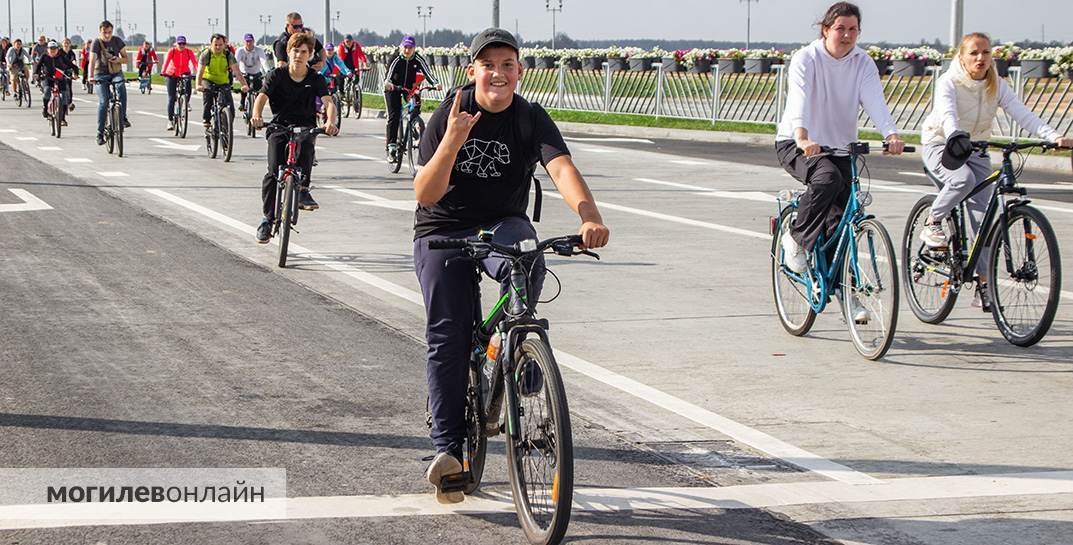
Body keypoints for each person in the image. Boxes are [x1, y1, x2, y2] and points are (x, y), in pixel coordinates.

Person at [413, 28, 609, 503]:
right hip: (443, 229)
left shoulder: (529, 117)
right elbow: (425, 193)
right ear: (472, 71)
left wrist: (588, 215)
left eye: (507, 65)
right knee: (450, 333)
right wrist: (453, 141)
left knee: (529, 255)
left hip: (502, 223)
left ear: (519, 71)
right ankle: (451, 453)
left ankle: (513, 338)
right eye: (488, 65)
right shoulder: (452, 112)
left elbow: (560, 166)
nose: (497, 73)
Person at [917, 32, 1073, 309]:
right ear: (962, 57)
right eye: (974, 53)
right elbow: (947, 114)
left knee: (984, 220)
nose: (981, 58)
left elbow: (1021, 113)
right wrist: (955, 134)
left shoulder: (996, 84)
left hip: (976, 147)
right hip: (943, 144)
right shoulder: (948, 82)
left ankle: (984, 285)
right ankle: (933, 221)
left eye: (986, 53)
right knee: (962, 180)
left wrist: (1051, 135)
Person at [775, 1, 905, 283]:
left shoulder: (862, 62)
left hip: (841, 148)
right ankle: (796, 237)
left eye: (853, 30)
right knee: (827, 178)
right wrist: (802, 136)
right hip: (796, 143)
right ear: (825, 30)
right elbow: (799, 99)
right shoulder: (806, 58)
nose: (846, 35)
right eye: (840, 29)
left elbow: (875, 101)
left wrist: (891, 134)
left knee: (842, 218)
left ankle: (844, 290)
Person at [250, 31, 339, 242]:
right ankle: (267, 219)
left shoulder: (315, 79)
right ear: (288, 52)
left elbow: (328, 102)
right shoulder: (276, 75)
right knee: (273, 171)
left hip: (305, 127)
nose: (299, 55)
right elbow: (262, 97)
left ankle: (303, 190)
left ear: (310, 55)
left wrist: (330, 122)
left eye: (304, 52)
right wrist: (256, 115)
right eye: (295, 51)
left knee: (307, 147)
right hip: (279, 126)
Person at [384, 35, 439, 160]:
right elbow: (389, 74)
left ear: (414, 49)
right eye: (405, 47)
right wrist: (388, 83)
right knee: (394, 114)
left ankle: (413, 123)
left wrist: (435, 83)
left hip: (409, 88)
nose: (407, 50)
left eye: (410, 48)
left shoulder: (417, 59)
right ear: (401, 47)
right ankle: (391, 146)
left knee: (417, 103)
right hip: (393, 88)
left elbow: (427, 73)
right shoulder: (396, 58)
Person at [88, 20, 130, 146]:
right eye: (105, 32)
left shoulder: (117, 41)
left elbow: (126, 59)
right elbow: (92, 60)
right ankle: (99, 133)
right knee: (104, 101)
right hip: (100, 74)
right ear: (100, 31)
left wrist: (118, 59)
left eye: (109, 32)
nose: (107, 35)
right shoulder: (96, 42)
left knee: (121, 86)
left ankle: (122, 117)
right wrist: (90, 76)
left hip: (115, 72)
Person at [195, 33, 249, 129]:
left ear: (224, 45)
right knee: (208, 97)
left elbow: (237, 71)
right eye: (215, 45)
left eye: (220, 45)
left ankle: (226, 128)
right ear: (211, 44)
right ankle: (206, 119)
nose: (218, 47)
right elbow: (200, 71)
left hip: (223, 81)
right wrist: (198, 85)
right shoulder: (206, 54)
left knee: (230, 107)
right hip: (208, 79)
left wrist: (244, 85)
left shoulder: (228, 55)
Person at [34, 40, 78, 123]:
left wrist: (75, 73)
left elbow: (72, 65)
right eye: (51, 49)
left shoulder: (61, 56)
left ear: (57, 49)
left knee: (64, 97)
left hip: (59, 76)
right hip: (48, 77)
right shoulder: (44, 56)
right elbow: (38, 66)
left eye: (54, 49)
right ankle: (45, 108)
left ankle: (62, 118)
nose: (53, 51)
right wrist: (36, 74)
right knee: (47, 91)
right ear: (47, 49)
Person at [161, 35, 198, 131]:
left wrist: (198, 73)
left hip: (185, 72)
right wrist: (163, 71)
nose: (181, 45)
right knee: (171, 98)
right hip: (172, 74)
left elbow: (195, 63)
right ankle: (170, 120)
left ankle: (186, 102)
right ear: (176, 44)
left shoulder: (189, 52)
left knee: (188, 89)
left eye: (183, 44)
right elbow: (166, 62)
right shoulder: (172, 51)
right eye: (180, 43)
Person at [235, 33, 267, 111]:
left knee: (259, 90)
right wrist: (235, 73)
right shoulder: (240, 50)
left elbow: (264, 62)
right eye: (247, 41)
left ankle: (257, 106)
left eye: (250, 41)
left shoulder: (259, 50)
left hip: (256, 73)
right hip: (244, 73)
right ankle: (242, 103)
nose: (249, 43)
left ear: (253, 41)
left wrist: (267, 71)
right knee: (244, 87)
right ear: (244, 42)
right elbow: (236, 63)